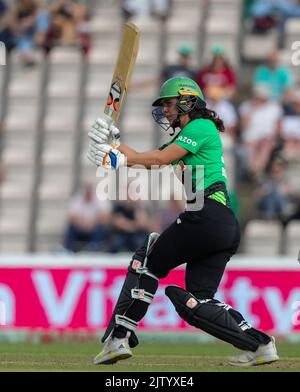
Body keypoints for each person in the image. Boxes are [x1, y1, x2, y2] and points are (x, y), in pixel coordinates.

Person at [87, 77, 279, 367]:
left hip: (207, 216)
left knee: (149, 257)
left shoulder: (200, 127)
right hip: (223, 226)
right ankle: (259, 344)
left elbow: (159, 159)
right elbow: (149, 160)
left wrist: (115, 160)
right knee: (198, 301)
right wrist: (112, 144)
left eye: (168, 104)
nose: (165, 111)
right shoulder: (188, 138)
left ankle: (119, 337)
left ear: (187, 101)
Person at [63, 183, 111, 252]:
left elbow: (106, 216)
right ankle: (68, 249)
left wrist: (93, 222)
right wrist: (80, 223)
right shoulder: (77, 199)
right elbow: (71, 216)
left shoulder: (101, 200)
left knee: (101, 227)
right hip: (80, 227)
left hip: (94, 228)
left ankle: (93, 247)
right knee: (71, 227)